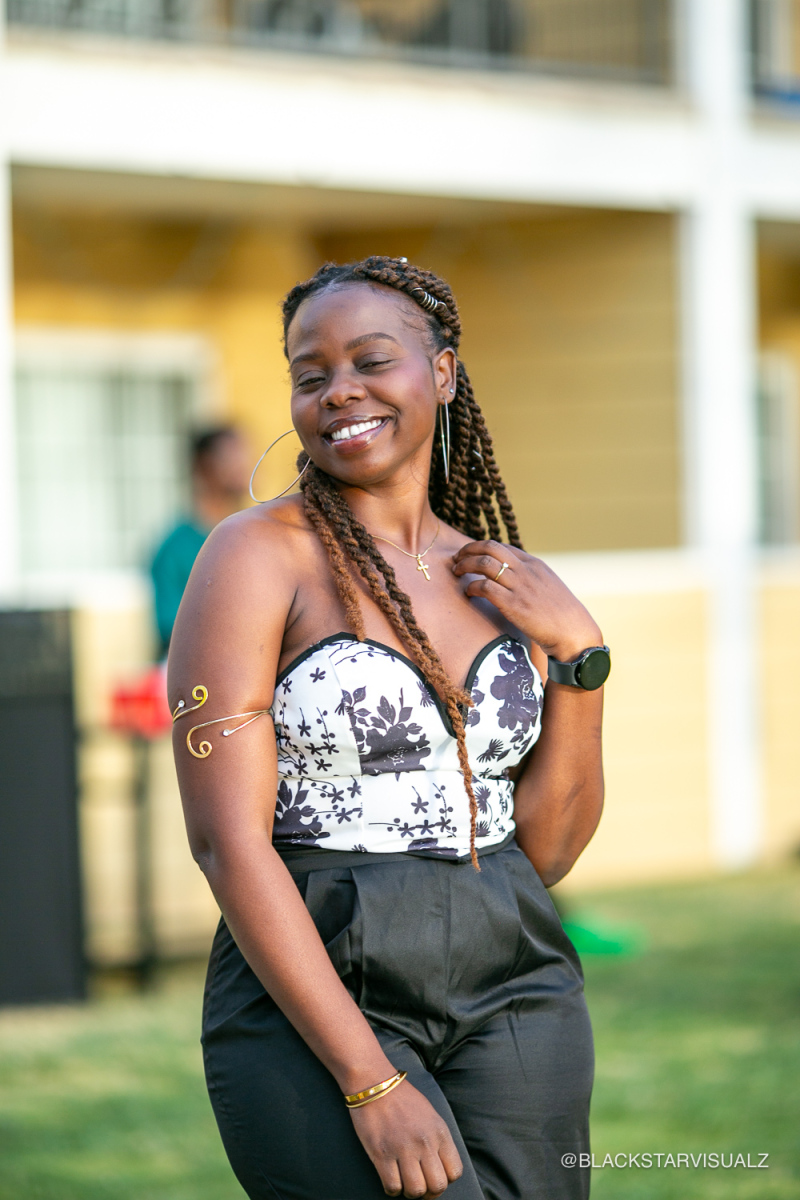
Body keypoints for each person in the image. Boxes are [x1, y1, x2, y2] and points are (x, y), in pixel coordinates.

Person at [168, 256, 607, 1200]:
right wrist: (369, 1080)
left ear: (442, 374)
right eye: (311, 374)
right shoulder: (256, 554)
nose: (339, 392)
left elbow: (546, 852)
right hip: (322, 968)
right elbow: (226, 843)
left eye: (371, 361)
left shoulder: (498, 577)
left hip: (516, 972)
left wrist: (581, 660)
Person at [150, 425, 249, 656]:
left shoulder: (258, 537)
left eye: (245, 456)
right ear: (203, 466)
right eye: (231, 457)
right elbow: (171, 631)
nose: (244, 466)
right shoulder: (174, 549)